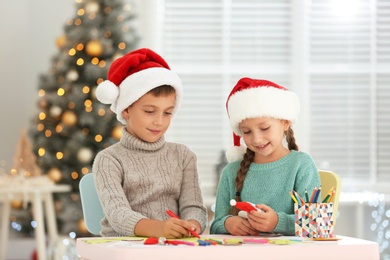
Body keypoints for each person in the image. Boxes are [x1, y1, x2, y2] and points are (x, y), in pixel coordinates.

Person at [92, 48, 207, 238]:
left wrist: (191, 225)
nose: (159, 122)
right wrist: (158, 229)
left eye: (167, 112)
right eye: (149, 111)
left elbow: (193, 206)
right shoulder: (109, 160)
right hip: (125, 247)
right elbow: (118, 215)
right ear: (126, 110)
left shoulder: (183, 156)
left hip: (171, 246)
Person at [210, 77, 320, 236]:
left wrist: (277, 222)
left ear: (285, 123)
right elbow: (216, 225)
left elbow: (314, 224)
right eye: (246, 132)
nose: (256, 139)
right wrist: (228, 224)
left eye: (264, 128)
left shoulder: (301, 165)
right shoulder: (231, 172)